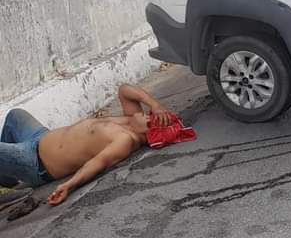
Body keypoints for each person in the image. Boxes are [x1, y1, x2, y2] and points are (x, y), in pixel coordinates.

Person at [0, 85, 174, 206]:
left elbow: (99, 162)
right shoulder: (132, 118)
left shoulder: (125, 140)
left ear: (150, 133)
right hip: (39, 137)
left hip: (34, 162)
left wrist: (69, 185)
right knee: (15, 116)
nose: (149, 115)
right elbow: (124, 89)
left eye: (151, 120)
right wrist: (156, 105)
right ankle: (6, 179)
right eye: (152, 114)